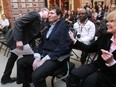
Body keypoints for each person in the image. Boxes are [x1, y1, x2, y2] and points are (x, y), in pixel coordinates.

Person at [16, 6, 71, 87]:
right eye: (49, 13)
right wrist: (38, 57)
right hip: (43, 54)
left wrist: (44, 59)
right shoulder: (48, 26)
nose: (49, 15)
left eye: (52, 13)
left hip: (54, 57)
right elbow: (42, 44)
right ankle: (26, 85)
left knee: (36, 75)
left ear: (59, 16)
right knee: (20, 62)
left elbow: (63, 47)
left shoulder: (63, 26)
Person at [1, 8, 49, 84]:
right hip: (17, 39)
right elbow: (18, 22)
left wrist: (42, 33)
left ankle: (6, 78)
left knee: (13, 58)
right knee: (29, 58)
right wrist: (18, 40)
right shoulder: (35, 14)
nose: (49, 14)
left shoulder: (41, 21)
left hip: (23, 40)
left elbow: (32, 32)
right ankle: (26, 79)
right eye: (48, 12)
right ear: (43, 10)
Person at [68, 10, 116, 87]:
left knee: (88, 81)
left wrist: (112, 62)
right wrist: (75, 41)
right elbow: (90, 48)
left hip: (111, 74)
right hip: (97, 65)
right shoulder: (105, 35)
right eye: (108, 21)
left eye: (111, 21)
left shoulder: (91, 25)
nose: (107, 23)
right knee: (74, 74)